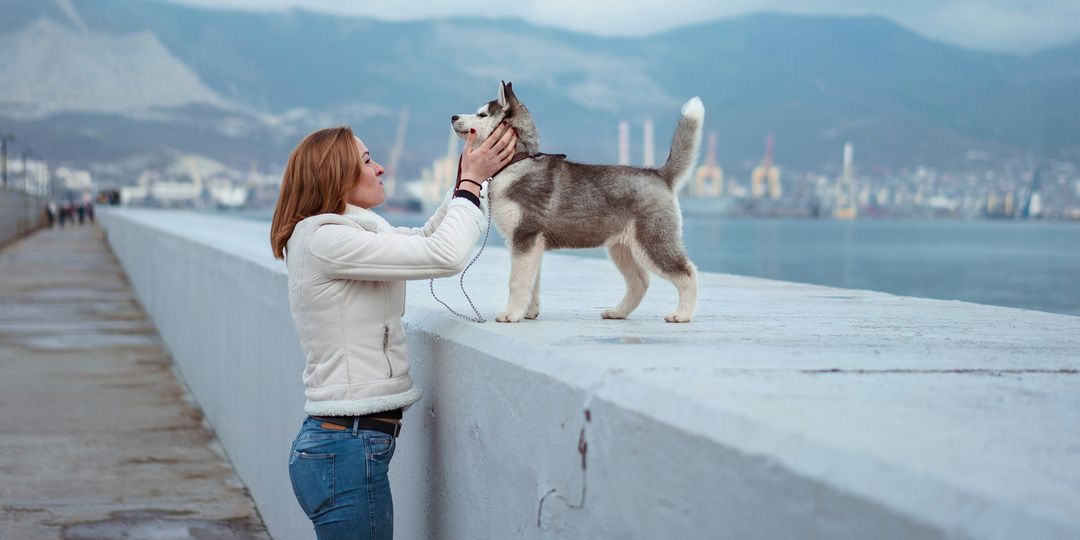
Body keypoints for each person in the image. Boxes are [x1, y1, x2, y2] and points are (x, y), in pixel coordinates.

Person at [270, 123, 517, 539]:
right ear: (336, 176)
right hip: (344, 450)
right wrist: (470, 184)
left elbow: (424, 238)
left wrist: (466, 183)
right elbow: (444, 254)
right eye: (367, 161)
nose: (381, 168)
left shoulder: (340, 235)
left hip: (346, 448)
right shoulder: (325, 240)